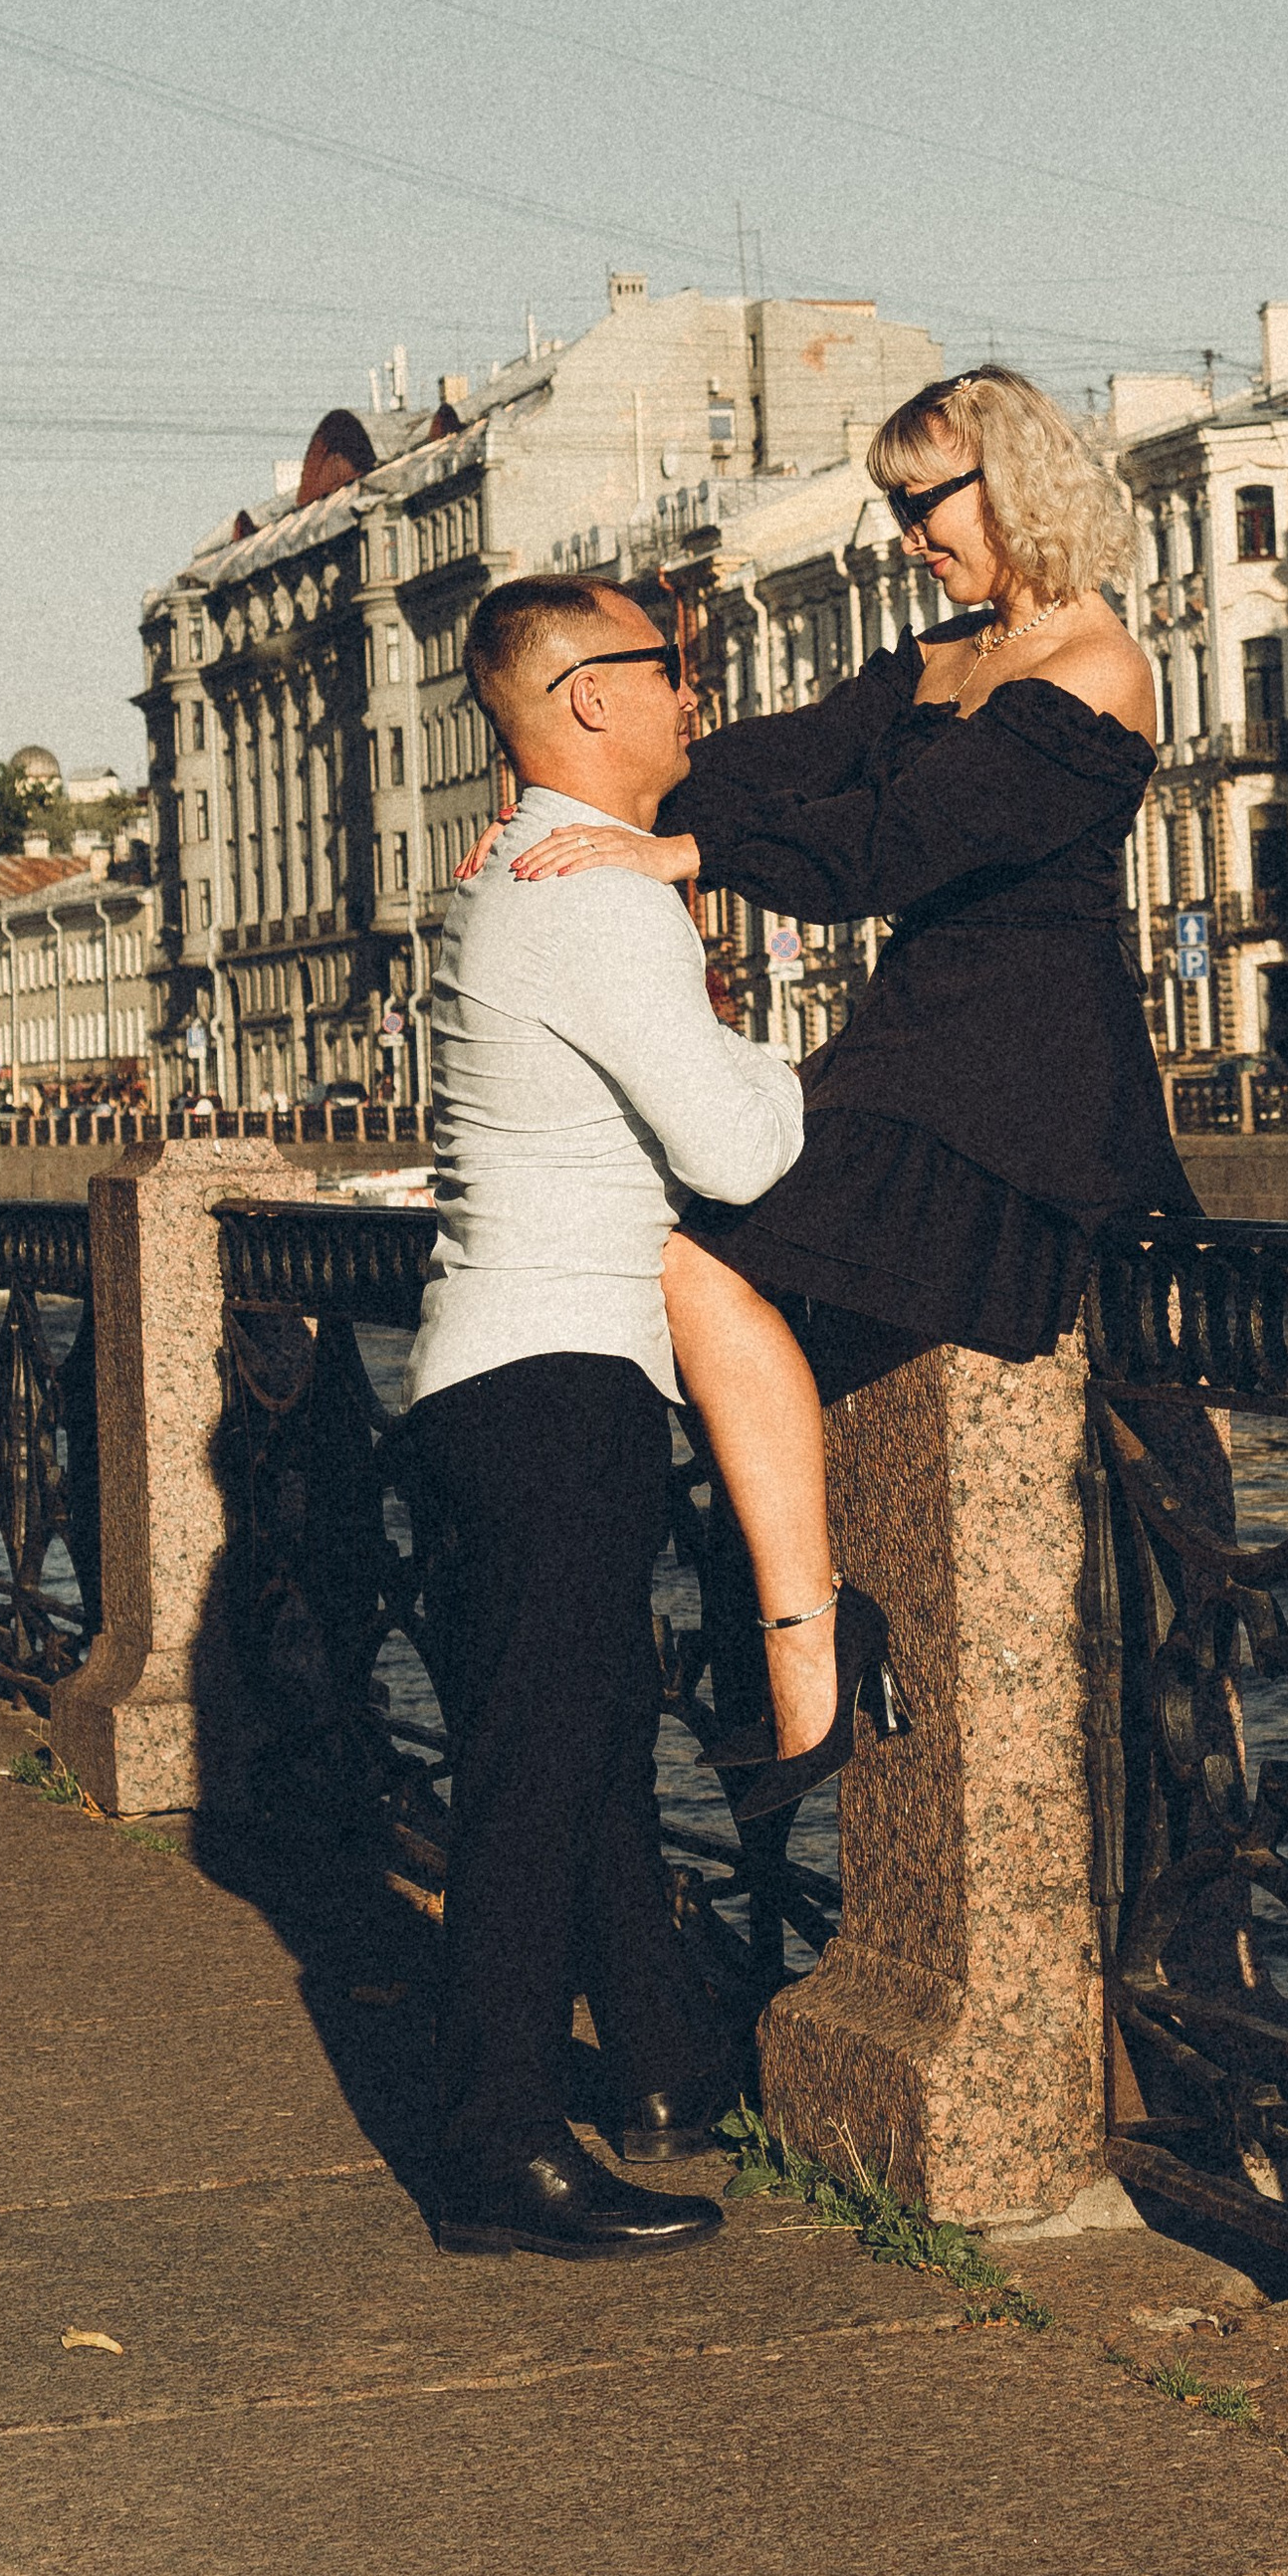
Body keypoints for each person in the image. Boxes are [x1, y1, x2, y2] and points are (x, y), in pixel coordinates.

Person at [488, 367, 1194, 1813]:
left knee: (699, 1259)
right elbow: (779, 760)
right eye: (895, 510)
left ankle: (806, 1650)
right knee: (692, 1256)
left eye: (923, 504)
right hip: (911, 1054)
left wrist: (681, 856)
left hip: (1025, 1088)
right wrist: (576, 806)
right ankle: (801, 1636)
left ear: (1013, 482)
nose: (907, 538)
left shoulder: (1098, 670)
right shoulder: (942, 657)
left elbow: (891, 844)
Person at [404, 575, 806, 2261]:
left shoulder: (517, 875)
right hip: (562, 1383)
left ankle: (659, 2063)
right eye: (671, 667)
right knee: (537, 1772)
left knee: (589, 1756)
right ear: (586, 695)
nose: (693, 694)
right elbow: (740, 1152)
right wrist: (784, 1060)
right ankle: (497, 2147)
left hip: (489, 1377)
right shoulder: (595, 901)